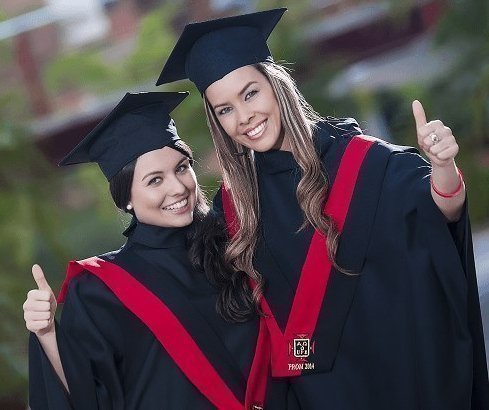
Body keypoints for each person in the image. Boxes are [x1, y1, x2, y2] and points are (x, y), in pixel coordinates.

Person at [156, 8, 489, 409]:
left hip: (398, 376)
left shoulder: (360, 162)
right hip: (324, 396)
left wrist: (443, 165)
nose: (244, 117)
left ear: (277, 85)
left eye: (250, 93)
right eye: (225, 109)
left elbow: (440, 212)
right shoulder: (235, 210)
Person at [23, 91, 291, 409]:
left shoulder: (239, 242)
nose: (177, 188)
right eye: (154, 181)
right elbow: (85, 398)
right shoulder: (101, 289)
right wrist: (47, 333)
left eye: (181, 168)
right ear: (126, 199)